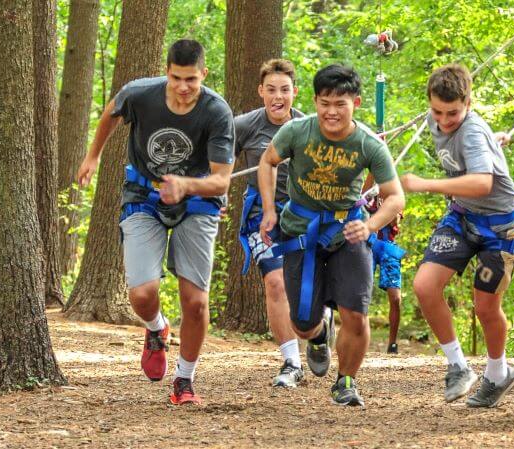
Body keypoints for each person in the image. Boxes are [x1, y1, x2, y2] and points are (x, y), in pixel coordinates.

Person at [76, 39, 234, 405]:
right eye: (176, 78)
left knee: (194, 301)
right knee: (142, 294)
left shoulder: (216, 111)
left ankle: (184, 380)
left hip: (197, 200)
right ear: (166, 72)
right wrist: (93, 156)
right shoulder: (141, 94)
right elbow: (112, 112)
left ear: (203, 75)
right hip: (144, 195)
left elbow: (221, 180)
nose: (183, 88)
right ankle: (156, 328)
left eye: (191, 80)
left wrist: (185, 186)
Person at [401, 64, 514, 408]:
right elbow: (470, 156)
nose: (444, 120)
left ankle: (498, 373)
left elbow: (482, 183)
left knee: (485, 306)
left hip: (500, 229)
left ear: (469, 102)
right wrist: (492, 143)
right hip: (462, 217)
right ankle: (457, 366)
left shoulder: (471, 131)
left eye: (453, 113)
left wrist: (426, 185)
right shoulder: (434, 120)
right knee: (424, 286)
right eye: (437, 111)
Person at [257, 64, 405, 407]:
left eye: (340, 103)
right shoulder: (297, 132)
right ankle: (321, 333)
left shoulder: (369, 144)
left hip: (349, 233)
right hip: (300, 233)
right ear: (314, 101)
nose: (332, 112)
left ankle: (346, 381)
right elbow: (268, 162)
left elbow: (396, 196)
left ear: (356, 102)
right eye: (325, 103)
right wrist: (268, 209)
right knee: (302, 323)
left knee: (356, 313)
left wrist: (369, 225)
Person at [233, 58, 306, 387]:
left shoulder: (310, 127)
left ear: (295, 92)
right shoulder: (244, 126)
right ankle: (292, 362)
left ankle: (319, 331)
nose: (278, 97)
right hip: (261, 216)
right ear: (261, 91)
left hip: (305, 215)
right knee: (275, 282)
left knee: (308, 289)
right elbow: (217, 165)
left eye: (285, 90)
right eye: (272, 90)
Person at [365, 196, 405, 354]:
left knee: (395, 298)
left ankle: (392, 344)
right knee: (363, 294)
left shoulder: (396, 196)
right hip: (368, 244)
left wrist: (387, 206)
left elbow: (395, 223)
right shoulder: (367, 196)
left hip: (388, 246)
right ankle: (362, 338)